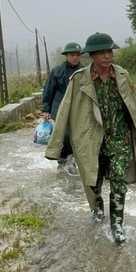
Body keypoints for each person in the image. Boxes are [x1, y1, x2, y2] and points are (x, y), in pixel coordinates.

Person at [45, 32, 136, 245]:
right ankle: (96, 208)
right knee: (93, 180)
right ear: (92, 56)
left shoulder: (122, 75)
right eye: (102, 52)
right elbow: (65, 110)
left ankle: (117, 225)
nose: (107, 56)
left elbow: (133, 107)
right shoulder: (79, 80)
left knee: (119, 179)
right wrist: (55, 146)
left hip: (119, 138)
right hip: (91, 139)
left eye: (109, 51)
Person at [40, 41, 83, 174]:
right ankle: (62, 160)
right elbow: (49, 90)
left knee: (78, 133)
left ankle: (76, 159)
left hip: (78, 107)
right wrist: (46, 109)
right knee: (62, 134)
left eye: (77, 55)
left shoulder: (85, 71)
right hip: (60, 107)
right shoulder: (57, 71)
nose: (75, 57)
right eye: (72, 55)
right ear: (66, 56)